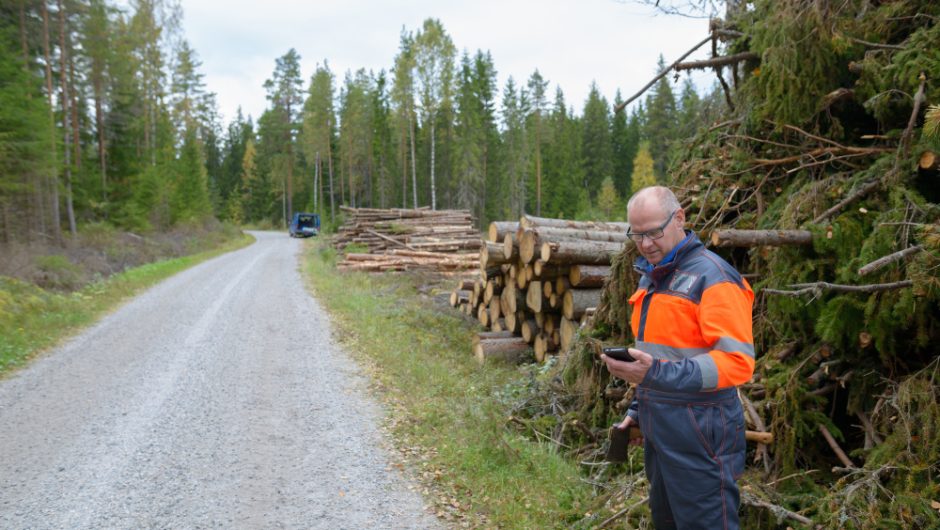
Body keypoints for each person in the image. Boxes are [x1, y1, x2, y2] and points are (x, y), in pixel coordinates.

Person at [602, 186, 755, 530]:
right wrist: (639, 411)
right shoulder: (654, 277)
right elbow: (661, 354)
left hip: (703, 432)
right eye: (637, 235)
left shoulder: (714, 278)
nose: (645, 244)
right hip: (661, 430)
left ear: (680, 218)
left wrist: (654, 374)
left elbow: (737, 363)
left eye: (654, 232)